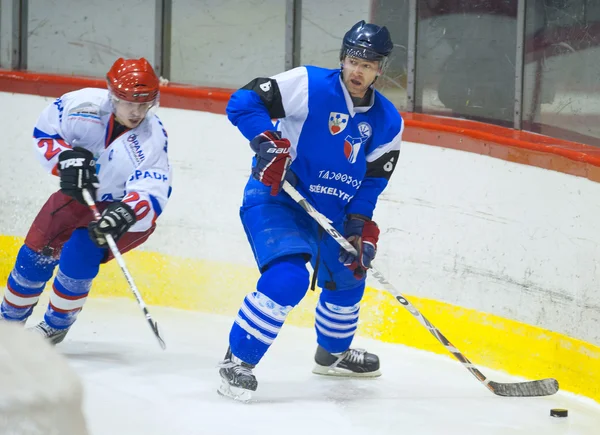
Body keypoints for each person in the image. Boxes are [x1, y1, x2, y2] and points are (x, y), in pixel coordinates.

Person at [219, 20, 403, 401]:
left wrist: (358, 223)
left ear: (380, 69)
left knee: (350, 277)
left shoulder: (388, 121)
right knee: (289, 279)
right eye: (354, 60)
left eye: (368, 65)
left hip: (332, 214)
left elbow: (371, 180)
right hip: (279, 197)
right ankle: (237, 362)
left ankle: (332, 355)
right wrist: (267, 141)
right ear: (343, 58)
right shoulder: (308, 84)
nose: (358, 70)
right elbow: (243, 101)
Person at [0, 58, 172, 344]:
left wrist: (126, 213)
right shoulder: (80, 106)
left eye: (145, 104)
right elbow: (45, 134)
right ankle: (8, 321)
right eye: (130, 102)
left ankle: (55, 325)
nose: (137, 111)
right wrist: (65, 159)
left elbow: (153, 187)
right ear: (112, 94)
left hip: (119, 209)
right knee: (35, 253)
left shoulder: (153, 137)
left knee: (79, 254)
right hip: (77, 196)